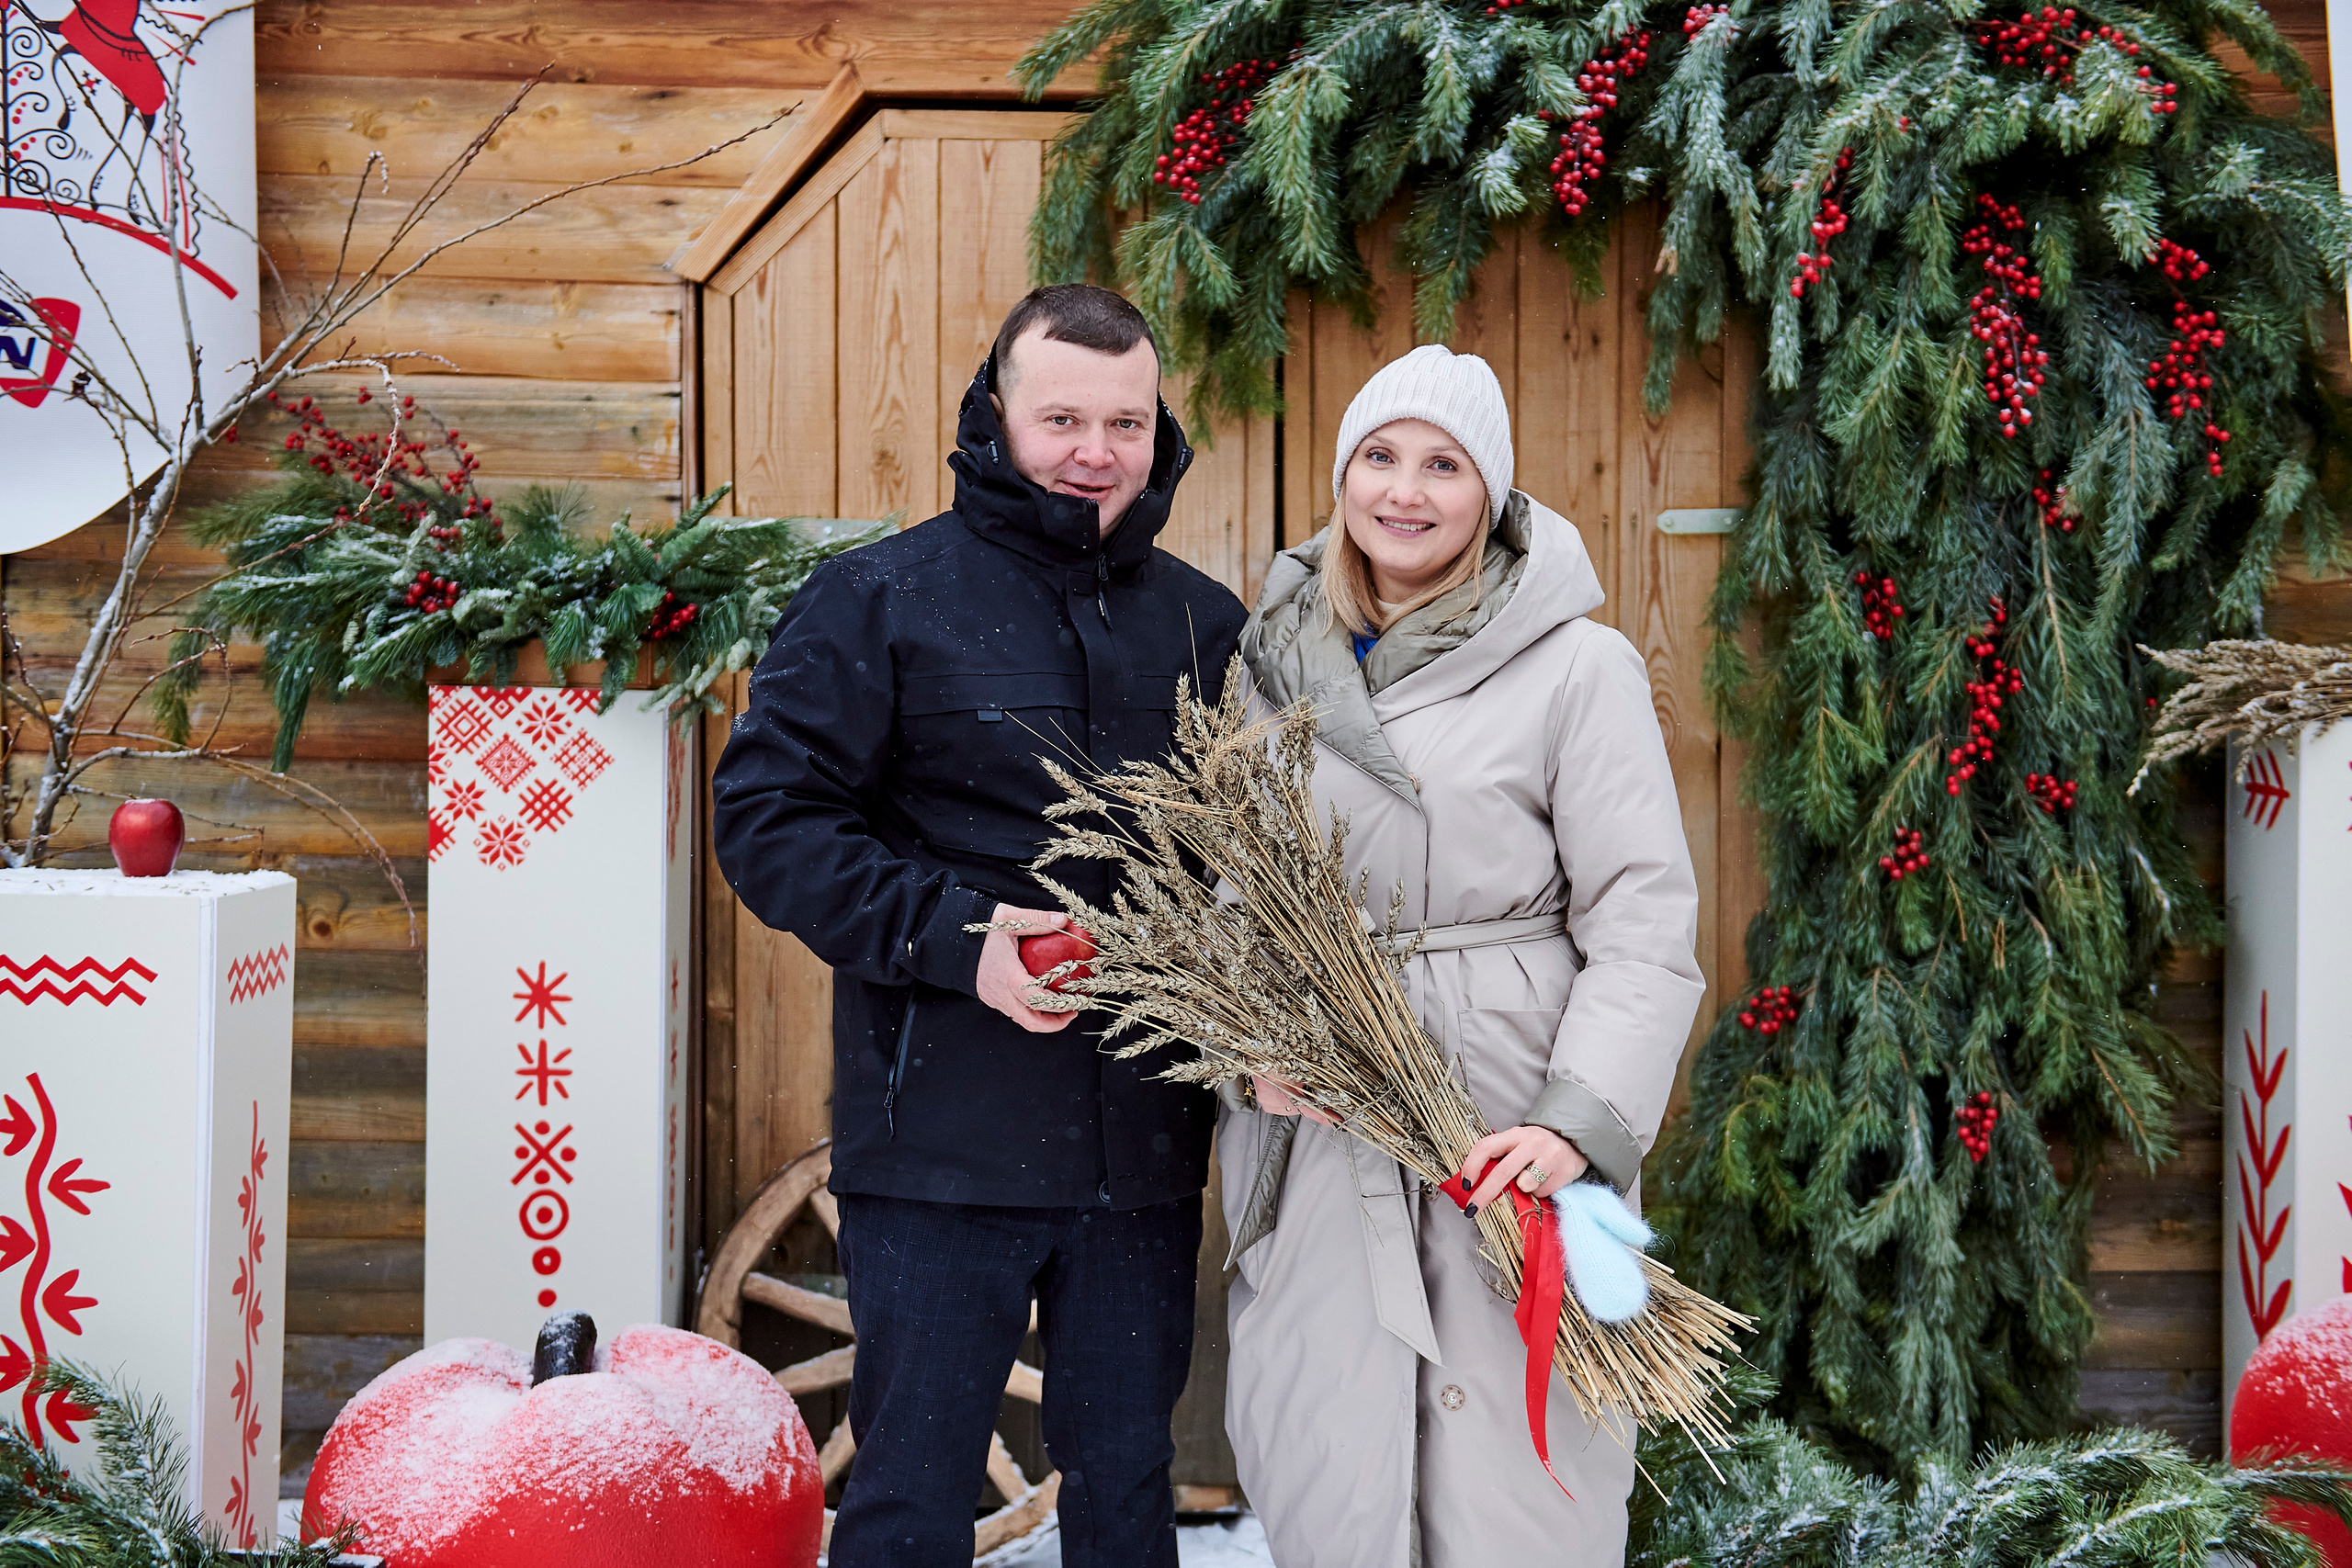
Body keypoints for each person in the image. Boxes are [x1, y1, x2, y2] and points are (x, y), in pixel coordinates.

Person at [710, 284, 1247, 1567]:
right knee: (913, 1487)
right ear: (994, 413)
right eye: (1061, 416)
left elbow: (1257, 861)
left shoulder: (1204, 624)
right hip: (940, 1143)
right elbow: (768, 820)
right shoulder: (879, 601)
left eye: (1124, 420)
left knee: (1128, 1481)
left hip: (1145, 1151)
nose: (1095, 451)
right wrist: (957, 939)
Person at [1217, 344, 1704, 1565]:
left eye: (1443, 464)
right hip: (1328, 1119)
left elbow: (1642, 917)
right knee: (1326, 1431)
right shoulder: (1271, 666)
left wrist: (1576, 1122)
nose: (1406, 490)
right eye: (1380, 457)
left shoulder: (1578, 666)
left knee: (1523, 1454)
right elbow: (1232, 896)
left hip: (1511, 1109)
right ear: (1344, 480)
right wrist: (1251, 1057)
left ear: (1490, 492)